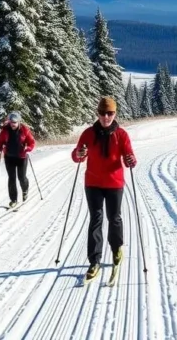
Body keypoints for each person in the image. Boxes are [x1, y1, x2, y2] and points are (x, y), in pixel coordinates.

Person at [71, 96, 137, 280]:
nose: (106, 117)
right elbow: (77, 156)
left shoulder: (122, 134)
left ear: (115, 114)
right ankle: (94, 260)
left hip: (114, 184)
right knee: (96, 219)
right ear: (97, 113)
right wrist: (79, 154)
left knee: (114, 218)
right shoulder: (88, 134)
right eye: (102, 113)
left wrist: (131, 160)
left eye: (110, 113)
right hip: (93, 184)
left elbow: (129, 155)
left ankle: (116, 249)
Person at [0, 111, 36, 208]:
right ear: (9, 122)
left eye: (15, 123)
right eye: (11, 122)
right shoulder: (5, 130)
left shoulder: (24, 130)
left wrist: (28, 148)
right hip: (9, 157)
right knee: (12, 179)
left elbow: (31, 142)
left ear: (19, 122)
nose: (13, 124)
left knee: (21, 177)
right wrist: (0, 147)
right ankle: (13, 200)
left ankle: (25, 190)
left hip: (21, 157)